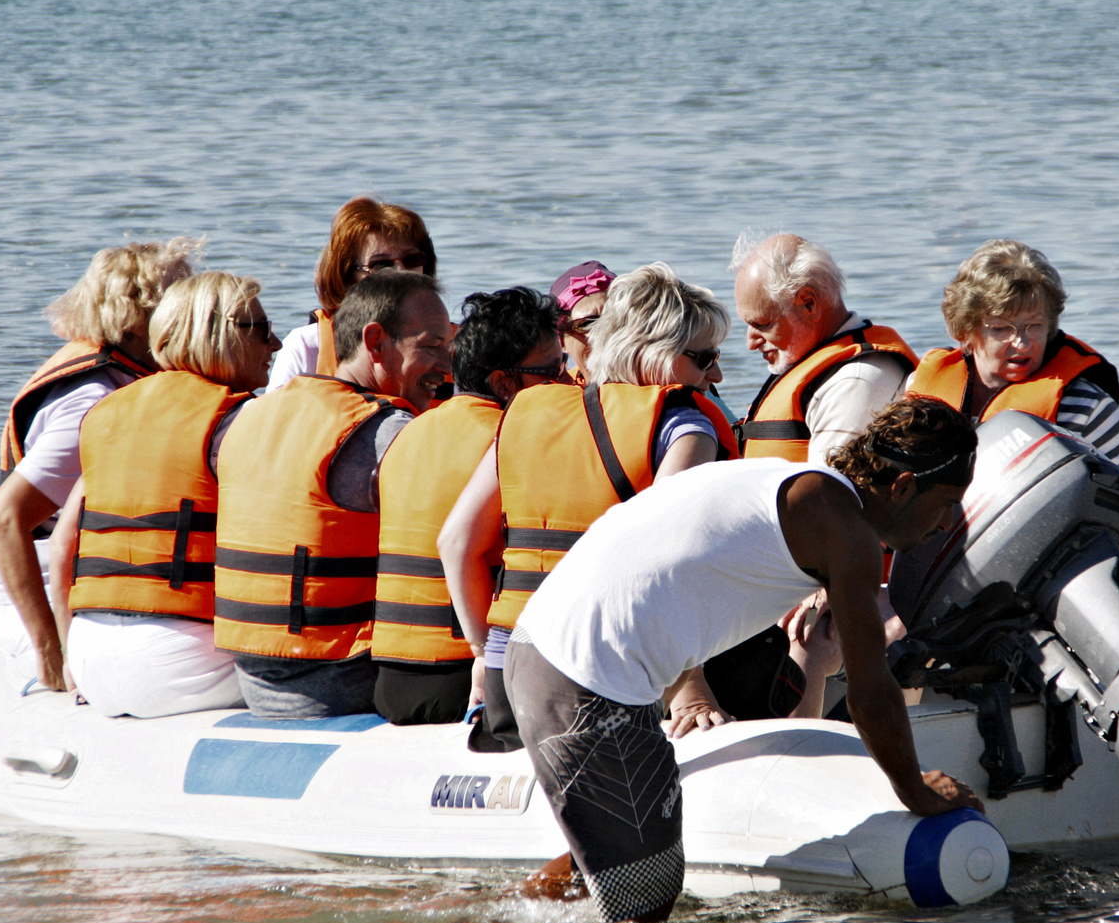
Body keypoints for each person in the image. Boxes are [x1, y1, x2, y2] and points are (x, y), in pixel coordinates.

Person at [507, 397, 986, 923]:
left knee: (616, 862)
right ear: (900, 487)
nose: (946, 524)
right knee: (645, 915)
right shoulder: (846, 531)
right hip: (584, 680)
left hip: (540, 649)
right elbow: (871, 691)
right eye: (946, 503)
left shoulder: (793, 482)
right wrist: (916, 790)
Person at [439, 263, 736, 752]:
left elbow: (455, 543)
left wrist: (479, 652)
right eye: (704, 358)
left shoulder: (526, 411)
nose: (717, 374)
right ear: (654, 356)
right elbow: (661, 565)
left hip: (505, 670)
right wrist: (692, 686)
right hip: (591, 676)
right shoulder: (684, 428)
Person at [212, 270, 454, 717]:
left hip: (253, 674)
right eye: (431, 346)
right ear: (376, 341)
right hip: (335, 677)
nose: (448, 365)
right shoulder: (385, 433)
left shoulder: (247, 417)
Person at [46, 272, 277, 717]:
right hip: (181, 662)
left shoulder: (107, 412)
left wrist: (70, 659)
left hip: (89, 653)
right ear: (221, 333)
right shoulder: (242, 420)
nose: (278, 345)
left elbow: (63, 544)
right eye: (263, 330)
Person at [0, 237, 203, 696]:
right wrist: (52, 650)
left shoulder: (124, 373)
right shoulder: (92, 401)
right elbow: (3, 522)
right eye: (178, 302)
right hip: (52, 598)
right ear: (139, 319)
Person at [906, 240, 1119, 603]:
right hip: (928, 591)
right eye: (1001, 328)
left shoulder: (1084, 407)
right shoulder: (919, 392)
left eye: (1035, 326)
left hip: (1036, 598)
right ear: (966, 332)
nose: (1022, 343)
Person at [371, 287, 571, 727]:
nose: (566, 382)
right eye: (552, 371)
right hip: (463, 676)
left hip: (392, 678)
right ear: (504, 383)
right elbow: (456, 543)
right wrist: (483, 653)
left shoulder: (405, 434)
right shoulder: (515, 438)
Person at [730, 232, 918, 466]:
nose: (751, 343)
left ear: (809, 303)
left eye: (763, 324)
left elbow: (832, 496)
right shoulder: (821, 369)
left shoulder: (856, 383)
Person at [267, 197, 436, 390]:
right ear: (347, 276)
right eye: (381, 264)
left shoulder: (453, 346)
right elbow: (275, 418)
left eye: (412, 259)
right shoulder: (305, 346)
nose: (400, 271)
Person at [549, 261, 614, 383]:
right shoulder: (553, 398)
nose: (605, 333)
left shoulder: (656, 387)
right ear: (561, 341)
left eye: (615, 320)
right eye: (587, 324)